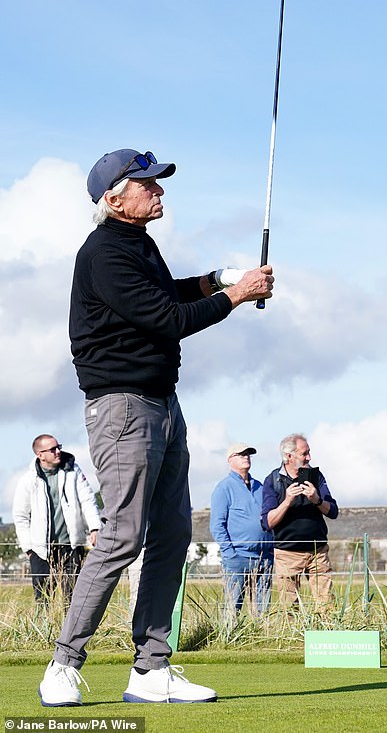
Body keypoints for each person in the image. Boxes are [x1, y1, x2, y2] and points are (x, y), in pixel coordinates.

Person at [38, 148, 273, 708]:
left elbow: (168, 294)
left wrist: (219, 278)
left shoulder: (139, 246)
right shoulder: (103, 253)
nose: (159, 192)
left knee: (171, 536)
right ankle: (63, 664)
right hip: (121, 408)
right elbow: (169, 319)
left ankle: (150, 668)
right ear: (114, 198)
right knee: (121, 537)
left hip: (162, 405)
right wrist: (235, 297)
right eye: (148, 185)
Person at [13, 435, 100, 607]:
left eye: (58, 446)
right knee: (43, 600)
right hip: (40, 550)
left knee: (74, 599)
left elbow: (88, 500)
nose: (58, 451)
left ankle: (72, 634)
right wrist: (29, 549)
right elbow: (20, 516)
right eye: (52, 449)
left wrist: (95, 528)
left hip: (72, 546)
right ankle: (44, 633)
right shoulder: (28, 480)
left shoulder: (74, 471)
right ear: (40, 455)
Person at [261, 434, 338, 608]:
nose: (309, 458)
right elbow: (267, 522)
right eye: (305, 454)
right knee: (289, 609)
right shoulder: (273, 481)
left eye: (309, 453)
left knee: (327, 605)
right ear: (289, 456)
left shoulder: (316, 477)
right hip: (287, 554)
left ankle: (326, 635)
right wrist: (287, 500)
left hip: (318, 552)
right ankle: (294, 636)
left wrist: (316, 499)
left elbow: (333, 511)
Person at [210, 443, 273, 618]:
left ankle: (259, 639)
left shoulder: (260, 487)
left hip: (264, 557)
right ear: (230, 460)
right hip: (238, 557)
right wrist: (230, 554)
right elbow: (217, 525)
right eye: (241, 454)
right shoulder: (224, 488)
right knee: (232, 608)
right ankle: (229, 639)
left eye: (248, 454)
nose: (246, 457)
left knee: (262, 609)